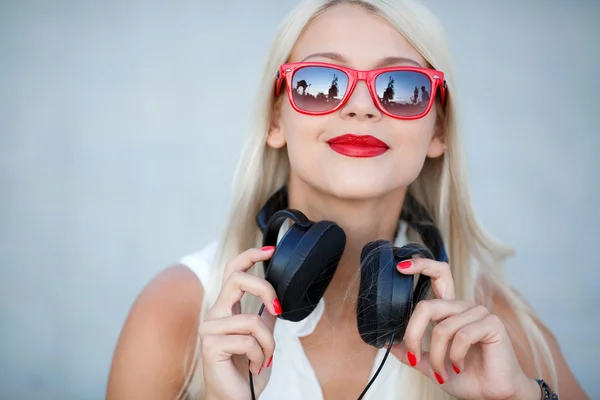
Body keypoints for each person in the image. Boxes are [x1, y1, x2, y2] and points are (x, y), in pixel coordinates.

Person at [106, 1, 590, 399]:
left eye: (401, 88)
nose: (360, 106)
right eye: (319, 84)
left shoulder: (494, 329)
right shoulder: (177, 311)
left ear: (438, 127)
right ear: (277, 118)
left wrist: (521, 399)